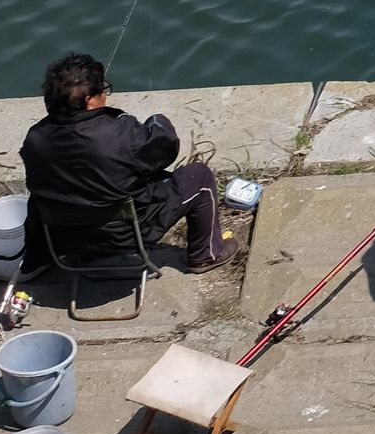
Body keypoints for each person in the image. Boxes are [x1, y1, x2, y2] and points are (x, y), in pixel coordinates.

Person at [18, 52, 226, 274]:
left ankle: (37, 259)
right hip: (125, 235)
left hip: (64, 237)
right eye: (102, 90)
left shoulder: (34, 138)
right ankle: (205, 255)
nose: (105, 95)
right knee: (199, 176)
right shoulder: (122, 134)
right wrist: (157, 121)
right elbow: (166, 148)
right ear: (90, 101)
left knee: (43, 193)